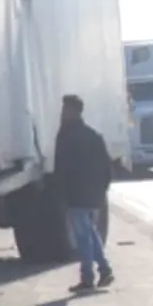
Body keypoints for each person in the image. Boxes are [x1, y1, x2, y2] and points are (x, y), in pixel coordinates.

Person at [53, 93, 115, 292]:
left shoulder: (66, 136)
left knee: (83, 237)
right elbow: (106, 167)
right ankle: (104, 269)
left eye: (65, 109)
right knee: (90, 232)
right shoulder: (92, 135)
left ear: (72, 111)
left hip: (76, 194)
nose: (62, 113)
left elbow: (61, 167)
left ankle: (88, 277)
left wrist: (61, 191)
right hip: (93, 194)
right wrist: (102, 189)